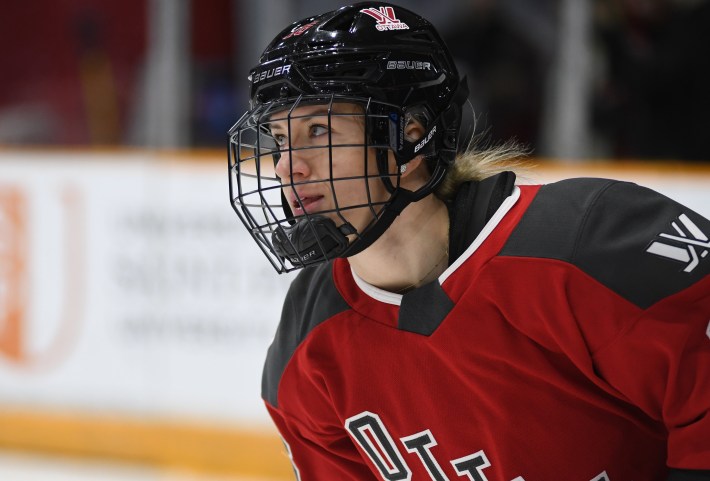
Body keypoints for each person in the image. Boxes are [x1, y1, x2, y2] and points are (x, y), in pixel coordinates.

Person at [227, 3, 710, 480]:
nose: (289, 165)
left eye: (317, 130)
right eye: (279, 138)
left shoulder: (587, 245)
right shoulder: (305, 347)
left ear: (408, 136)